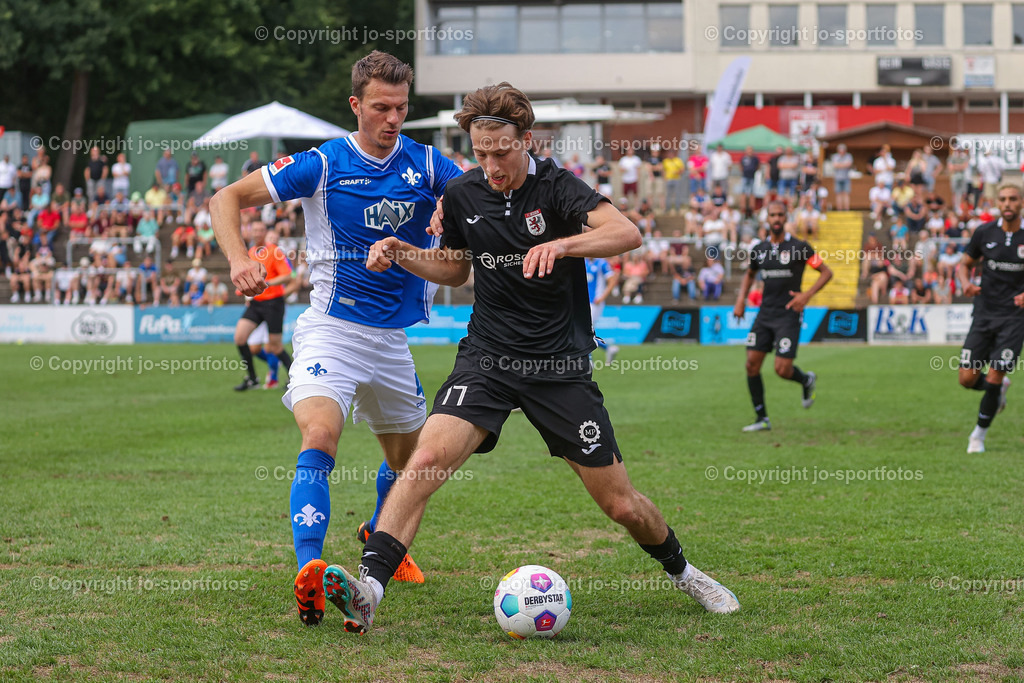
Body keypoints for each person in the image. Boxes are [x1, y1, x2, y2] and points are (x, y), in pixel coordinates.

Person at [327, 81, 741, 636]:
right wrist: (404, 254)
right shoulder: (467, 194)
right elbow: (454, 268)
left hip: (558, 368)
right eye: (480, 153)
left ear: (527, 140)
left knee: (621, 505)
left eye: (502, 151)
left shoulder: (560, 188)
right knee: (424, 462)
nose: (492, 164)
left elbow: (629, 232)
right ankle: (370, 588)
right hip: (487, 359)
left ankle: (685, 572)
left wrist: (563, 243)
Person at [211, 51, 462, 627]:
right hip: (331, 330)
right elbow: (223, 198)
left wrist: (456, 199)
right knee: (321, 433)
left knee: (412, 466)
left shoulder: (428, 165)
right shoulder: (323, 163)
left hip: (392, 341)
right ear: (356, 106)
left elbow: (481, 194)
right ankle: (311, 569)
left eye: (401, 107)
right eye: (381, 107)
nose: (393, 118)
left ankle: (379, 533)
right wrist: (237, 258)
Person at [732, 201, 833, 432]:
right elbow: (750, 274)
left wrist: (806, 295)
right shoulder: (759, 249)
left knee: (782, 369)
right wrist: (741, 300)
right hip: (764, 314)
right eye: (772, 215)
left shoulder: (800, 247)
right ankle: (762, 419)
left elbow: (826, 272)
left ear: (786, 218)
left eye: (780, 215)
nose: (776, 219)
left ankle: (806, 380)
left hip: (789, 314)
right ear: (767, 219)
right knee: (751, 365)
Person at [956, 182, 1024, 453]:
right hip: (984, 314)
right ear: (998, 203)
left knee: (995, 373)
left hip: (1015, 318)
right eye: (1003, 199)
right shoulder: (984, 232)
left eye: (1013, 199)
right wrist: (965, 283)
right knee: (966, 379)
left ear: (1021, 203)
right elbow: (964, 264)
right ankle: (999, 389)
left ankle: (978, 436)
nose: (1008, 203)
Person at [228, 221, 292, 390]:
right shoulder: (250, 252)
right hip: (256, 302)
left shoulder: (275, 251)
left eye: (261, 230)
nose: (257, 233)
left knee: (275, 346)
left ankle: (294, 378)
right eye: (254, 230)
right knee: (240, 338)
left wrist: (267, 282)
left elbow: (287, 276)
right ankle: (252, 379)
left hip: (274, 303)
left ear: (265, 232)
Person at [586, 257, 620, 362]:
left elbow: (612, 280)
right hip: (585, 301)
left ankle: (589, 359)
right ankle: (609, 348)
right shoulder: (584, 262)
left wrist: (602, 297)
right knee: (585, 330)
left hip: (595, 302)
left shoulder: (602, 263)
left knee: (586, 330)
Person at [831, 143, 853, 211]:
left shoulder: (848, 156)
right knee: (838, 194)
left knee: (846, 194)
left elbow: (849, 164)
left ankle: (846, 210)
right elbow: (835, 165)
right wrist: (844, 165)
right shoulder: (835, 156)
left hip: (846, 178)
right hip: (837, 178)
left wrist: (839, 165)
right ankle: (839, 210)